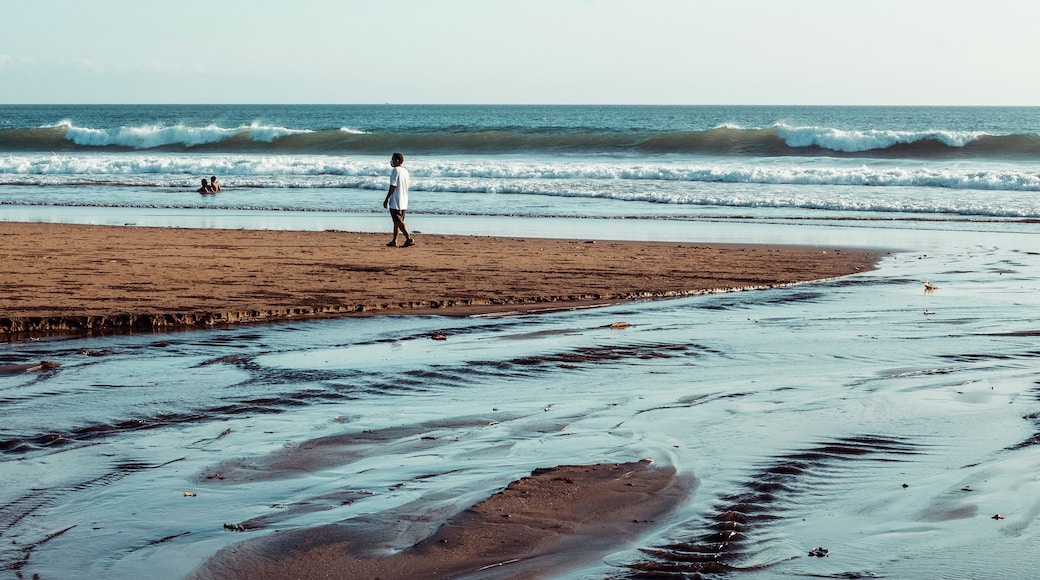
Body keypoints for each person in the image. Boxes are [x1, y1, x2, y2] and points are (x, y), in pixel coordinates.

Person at [383, 152, 414, 247]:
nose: (391, 161)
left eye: (392, 159)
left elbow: (393, 186)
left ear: (397, 160)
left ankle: (409, 238)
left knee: (398, 221)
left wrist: (387, 198)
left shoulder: (395, 171)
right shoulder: (405, 171)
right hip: (404, 200)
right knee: (397, 222)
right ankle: (394, 241)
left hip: (396, 200)